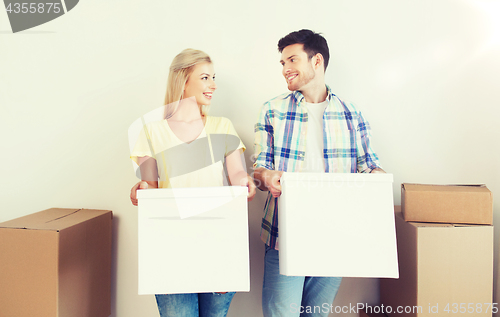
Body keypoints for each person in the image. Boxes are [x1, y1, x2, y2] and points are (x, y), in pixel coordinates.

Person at [253, 29, 385, 317]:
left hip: (333, 235)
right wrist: (264, 177)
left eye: (292, 60)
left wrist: (377, 178)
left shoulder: (352, 113)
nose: (285, 69)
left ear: (317, 61)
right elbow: (258, 168)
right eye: (282, 63)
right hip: (284, 235)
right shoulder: (272, 110)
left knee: (316, 315)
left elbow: (369, 165)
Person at [129, 48, 256, 317]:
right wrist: (141, 189)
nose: (213, 85)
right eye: (206, 78)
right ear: (183, 80)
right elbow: (150, 186)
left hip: (218, 243)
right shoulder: (151, 131)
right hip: (170, 247)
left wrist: (247, 183)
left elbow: (238, 177)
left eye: (213, 78)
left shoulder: (222, 126)